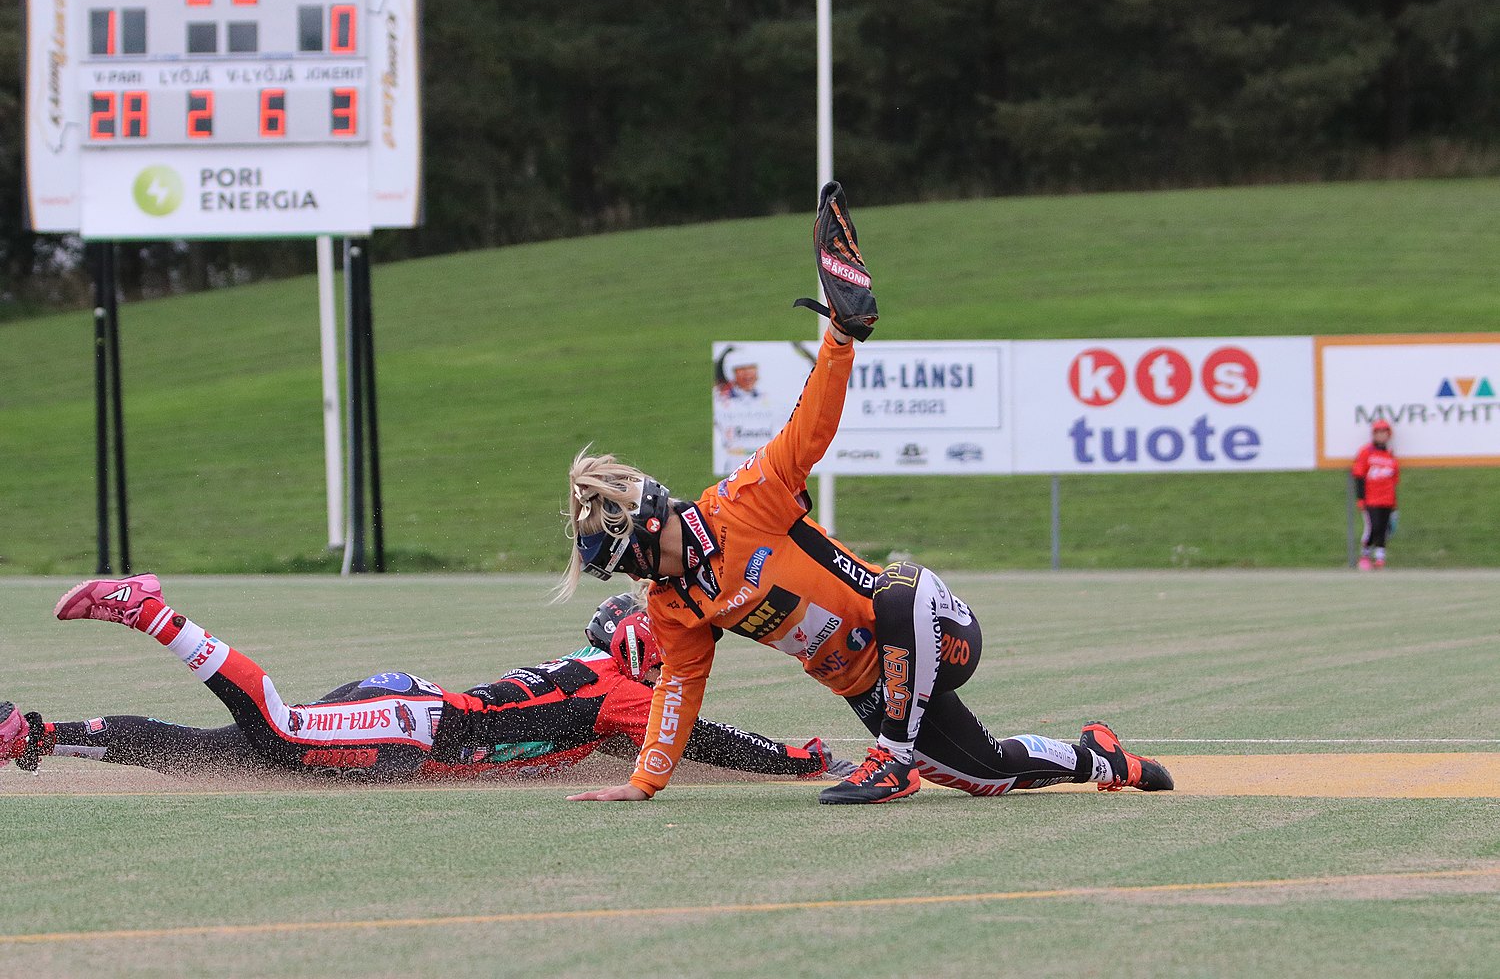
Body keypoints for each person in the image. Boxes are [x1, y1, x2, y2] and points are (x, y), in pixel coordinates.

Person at [558, 182, 1174, 804]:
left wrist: (840, 338)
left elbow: (808, 428)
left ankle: (893, 761)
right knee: (985, 774)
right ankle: (1101, 757)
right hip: (868, 687)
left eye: (624, 561)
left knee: (896, 591)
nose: (632, 577)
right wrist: (643, 782)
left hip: (928, 627)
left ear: (642, 533)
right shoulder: (672, 605)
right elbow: (678, 688)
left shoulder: (741, 503)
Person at [0, 574, 852, 783]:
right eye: (669, 642)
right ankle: (151, 612)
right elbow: (707, 741)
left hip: (405, 717)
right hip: (411, 726)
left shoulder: (599, 683)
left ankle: (34, 736)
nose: (678, 658)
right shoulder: (626, 695)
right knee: (278, 730)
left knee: (213, 755)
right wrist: (806, 760)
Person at [1352, 419, 1400, 570]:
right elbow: (1359, 475)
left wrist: (1394, 503)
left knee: (1384, 529)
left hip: (1387, 499)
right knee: (1373, 527)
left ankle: (1380, 558)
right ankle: (1365, 555)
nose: (1381, 435)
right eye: (1378, 432)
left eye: (1384, 432)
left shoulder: (1390, 455)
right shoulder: (1366, 452)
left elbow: (1393, 480)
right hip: (1371, 499)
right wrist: (1361, 498)